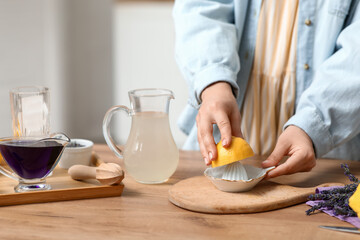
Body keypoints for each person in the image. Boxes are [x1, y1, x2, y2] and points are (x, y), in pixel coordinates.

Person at [173, 0, 360, 179]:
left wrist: (313, 126)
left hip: (325, 159)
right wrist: (214, 84)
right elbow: (200, 7)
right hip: (217, 151)